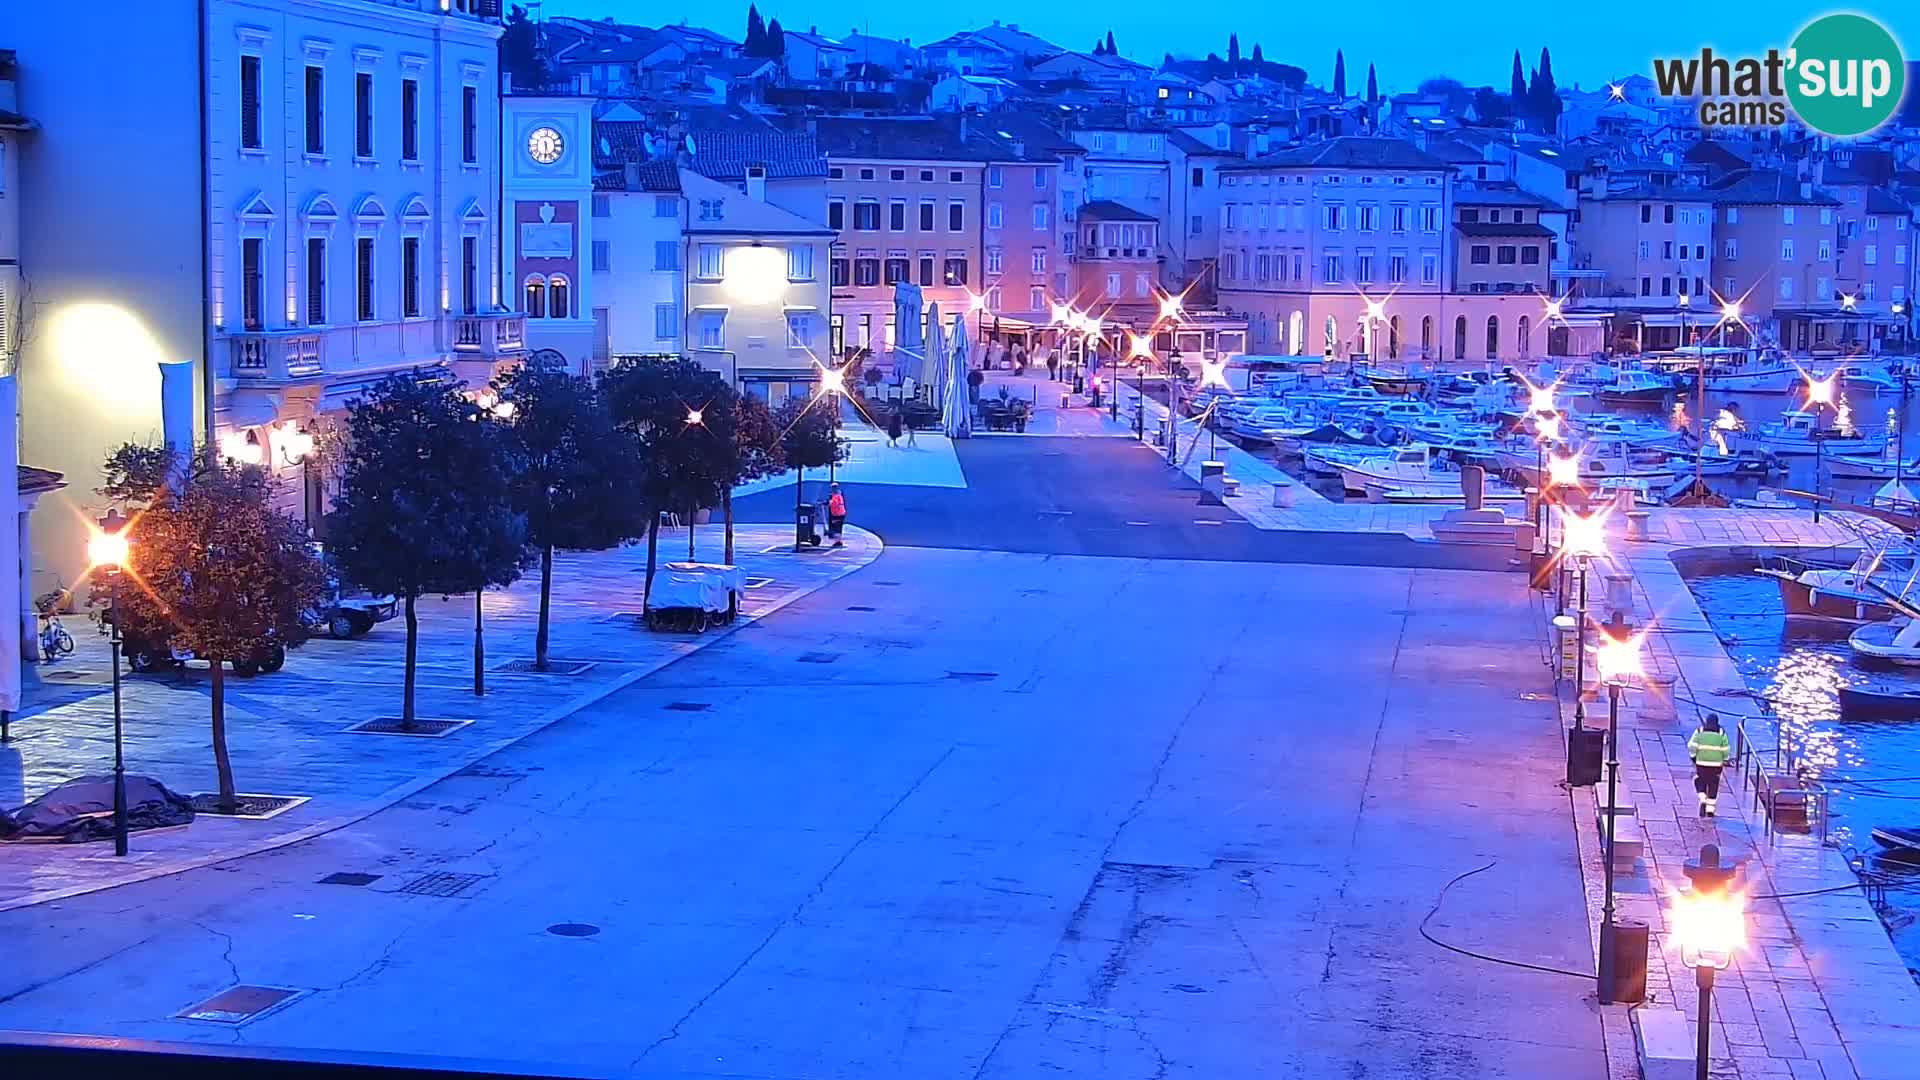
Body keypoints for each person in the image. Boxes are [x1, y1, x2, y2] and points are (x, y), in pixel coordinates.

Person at [1688, 714, 1732, 817]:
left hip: (1701, 763)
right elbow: (1726, 750)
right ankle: (1710, 810)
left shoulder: (1699, 732)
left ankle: (1702, 798)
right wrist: (1725, 760)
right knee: (1714, 784)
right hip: (1716, 765)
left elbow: (1691, 746)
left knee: (1699, 780)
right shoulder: (1721, 733)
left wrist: (1693, 757)